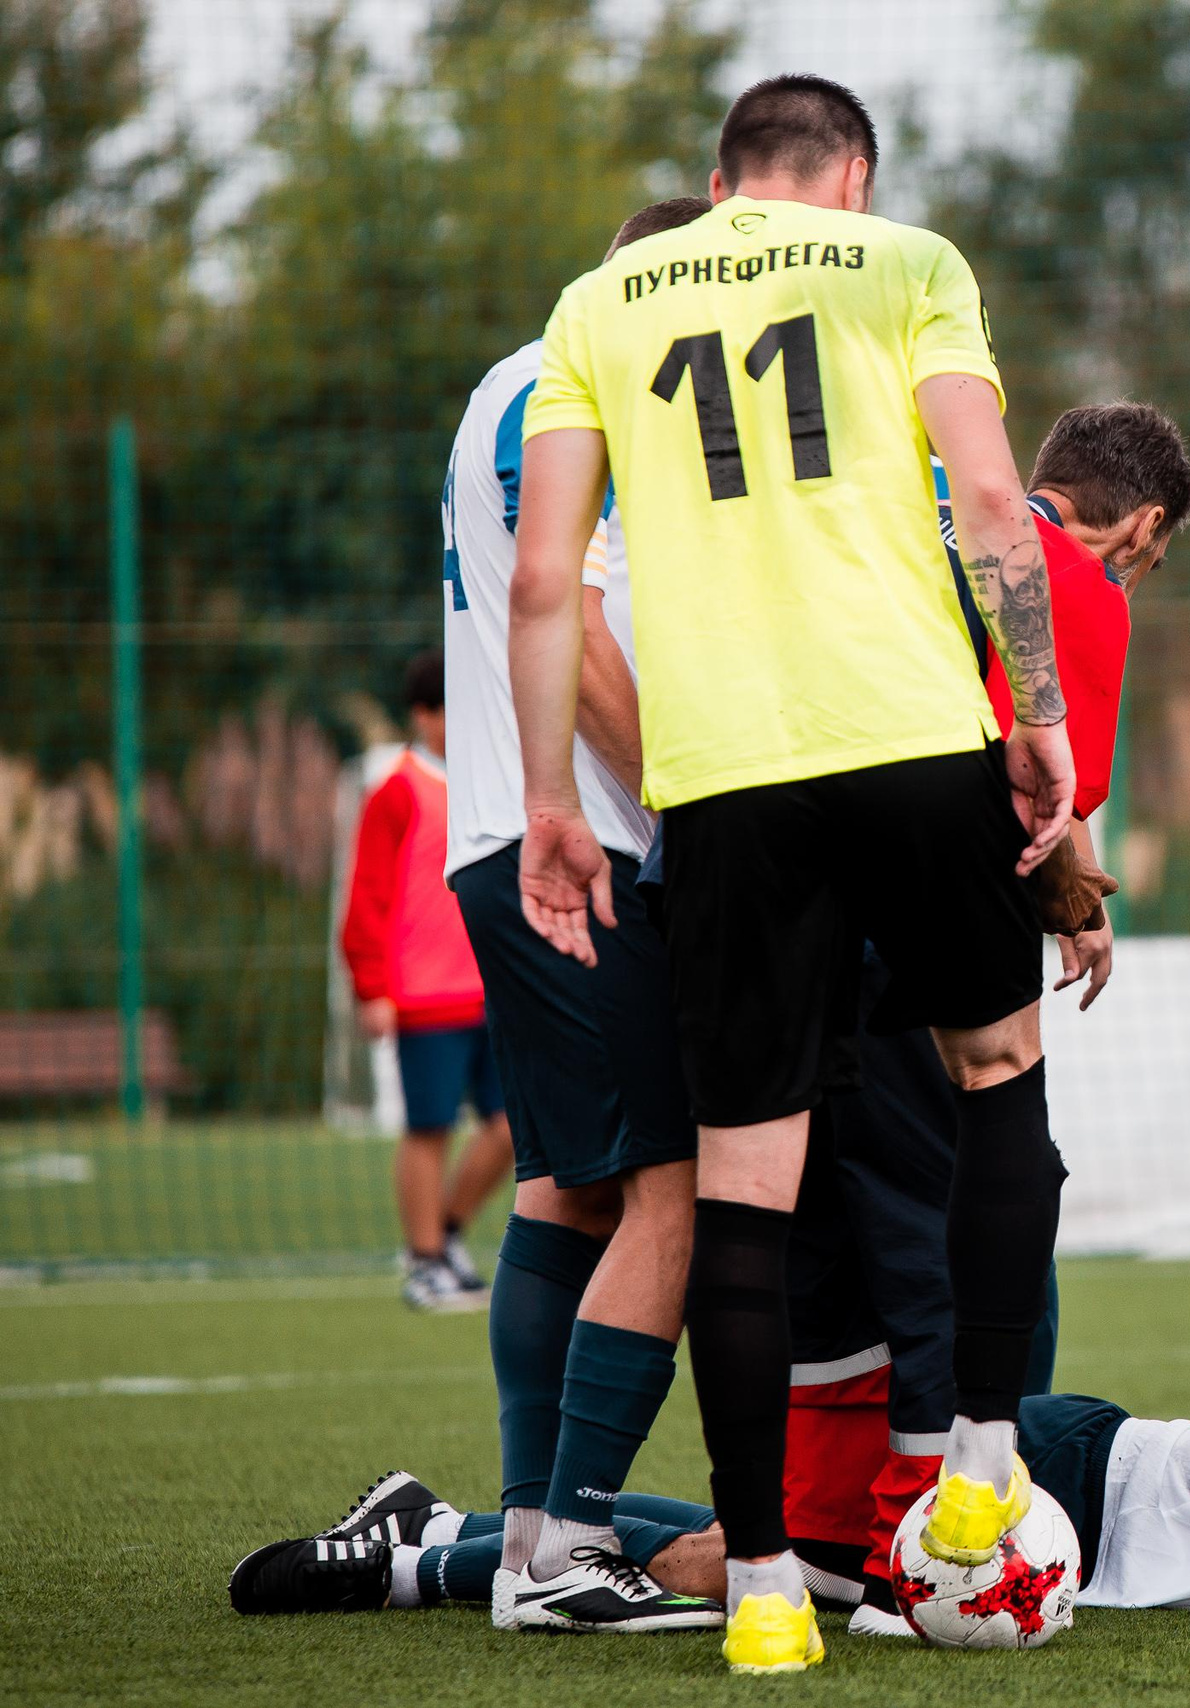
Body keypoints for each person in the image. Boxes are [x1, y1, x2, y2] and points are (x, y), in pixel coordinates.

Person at [510, 75, 1077, 1674]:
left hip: (729, 783)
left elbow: (549, 578)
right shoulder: (906, 262)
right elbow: (990, 506)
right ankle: (977, 1457)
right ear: (853, 173)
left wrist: (555, 796)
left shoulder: (599, 302)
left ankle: (761, 1585)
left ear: (718, 180)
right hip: (908, 739)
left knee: (745, 1182)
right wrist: (1035, 724)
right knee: (997, 1072)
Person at [783, 403, 1190, 1632]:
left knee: (814, 1240)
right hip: (925, 934)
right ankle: (937, 1546)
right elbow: (1049, 792)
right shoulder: (1066, 577)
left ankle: (809, 1539)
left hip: (775, 905)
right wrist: (1075, 894)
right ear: (1144, 524)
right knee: (969, 1209)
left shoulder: (896, 524)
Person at [437, 195, 729, 1636]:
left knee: (571, 1184)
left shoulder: (516, 383)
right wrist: (688, 805)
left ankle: (524, 1535)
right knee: (671, 1189)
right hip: (582, 850)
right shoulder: (576, 385)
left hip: (519, 840)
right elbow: (586, 629)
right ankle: (566, 1550)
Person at [230, 1395, 1190, 1623]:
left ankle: (450, 1522)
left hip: (1097, 1473)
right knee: (782, 1566)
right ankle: (414, 1564)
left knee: (781, 1547)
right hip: (1079, 1483)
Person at [340, 648, 511, 1313]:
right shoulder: (397, 791)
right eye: (450, 710)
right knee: (429, 1128)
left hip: (493, 989)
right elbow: (368, 896)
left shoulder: (495, 779)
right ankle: (423, 1264)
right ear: (423, 715)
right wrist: (372, 986)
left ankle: (445, 1234)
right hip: (422, 995)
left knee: (512, 1129)